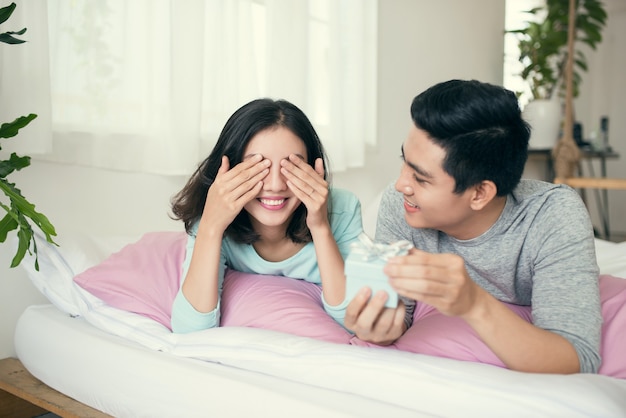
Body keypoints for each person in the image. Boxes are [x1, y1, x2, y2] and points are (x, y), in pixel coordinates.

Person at [344, 79, 602, 374]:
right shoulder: (401, 202)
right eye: (405, 161)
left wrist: (475, 303)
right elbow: (398, 314)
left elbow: (577, 359)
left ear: (480, 193)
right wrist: (380, 326)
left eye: (421, 178)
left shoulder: (553, 214)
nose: (401, 184)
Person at [170, 98, 363, 333]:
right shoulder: (214, 216)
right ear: (229, 171)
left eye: (290, 167)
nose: (275, 185)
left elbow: (354, 322)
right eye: (257, 168)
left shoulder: (343, 208)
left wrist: (320, 226)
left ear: (313, 169)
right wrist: (211, 227)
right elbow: (189, 329)